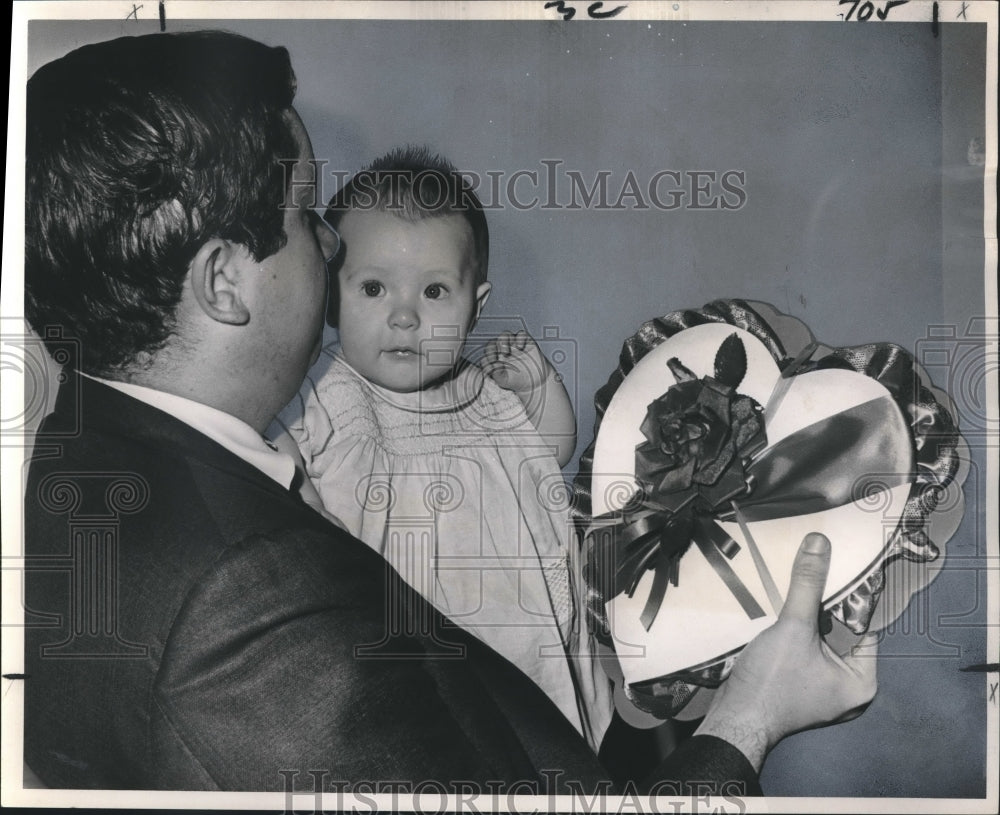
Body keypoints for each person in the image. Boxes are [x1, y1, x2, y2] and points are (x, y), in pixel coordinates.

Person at [22, 30, 877, 793]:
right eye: (307, 212)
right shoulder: (250, 602)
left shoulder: (82, 442)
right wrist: (748, 718)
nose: (328, 240)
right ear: (221, 280)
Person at [270, 147, 613, 749]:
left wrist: (538, 388)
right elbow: (273, 469)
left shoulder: (482, 391)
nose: (404, 318)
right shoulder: (323, 392)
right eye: (374, 288)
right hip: (399, 645)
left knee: (536, 754)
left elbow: (549, 451)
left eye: (434, 293)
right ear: (331, 296)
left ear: (474, 306)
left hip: (516, 636)